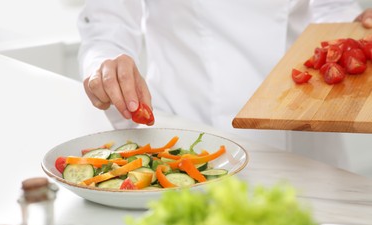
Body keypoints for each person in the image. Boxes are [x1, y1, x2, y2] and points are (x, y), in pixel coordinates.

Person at [77, 1, 372, 174]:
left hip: (306, 126)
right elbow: (105, 24)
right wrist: (104, 66)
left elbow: (332, 6)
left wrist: (352, 34)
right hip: (193, 131)